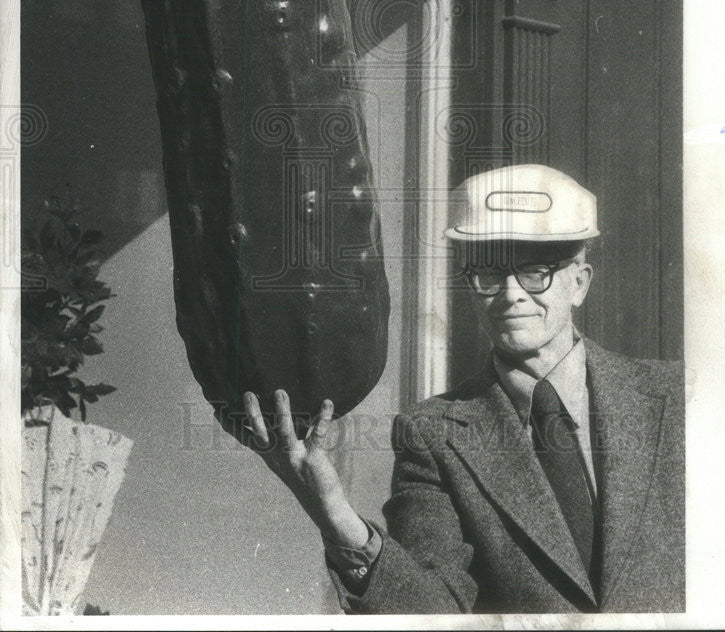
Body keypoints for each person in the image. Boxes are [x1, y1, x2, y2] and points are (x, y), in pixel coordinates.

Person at [243, 164, 685, 614]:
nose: (511, 293)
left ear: (579, 283)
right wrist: (339, 520)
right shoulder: (431, 435)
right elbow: (435, 613)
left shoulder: (677, 401)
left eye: (536, 270)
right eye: (489, 272)